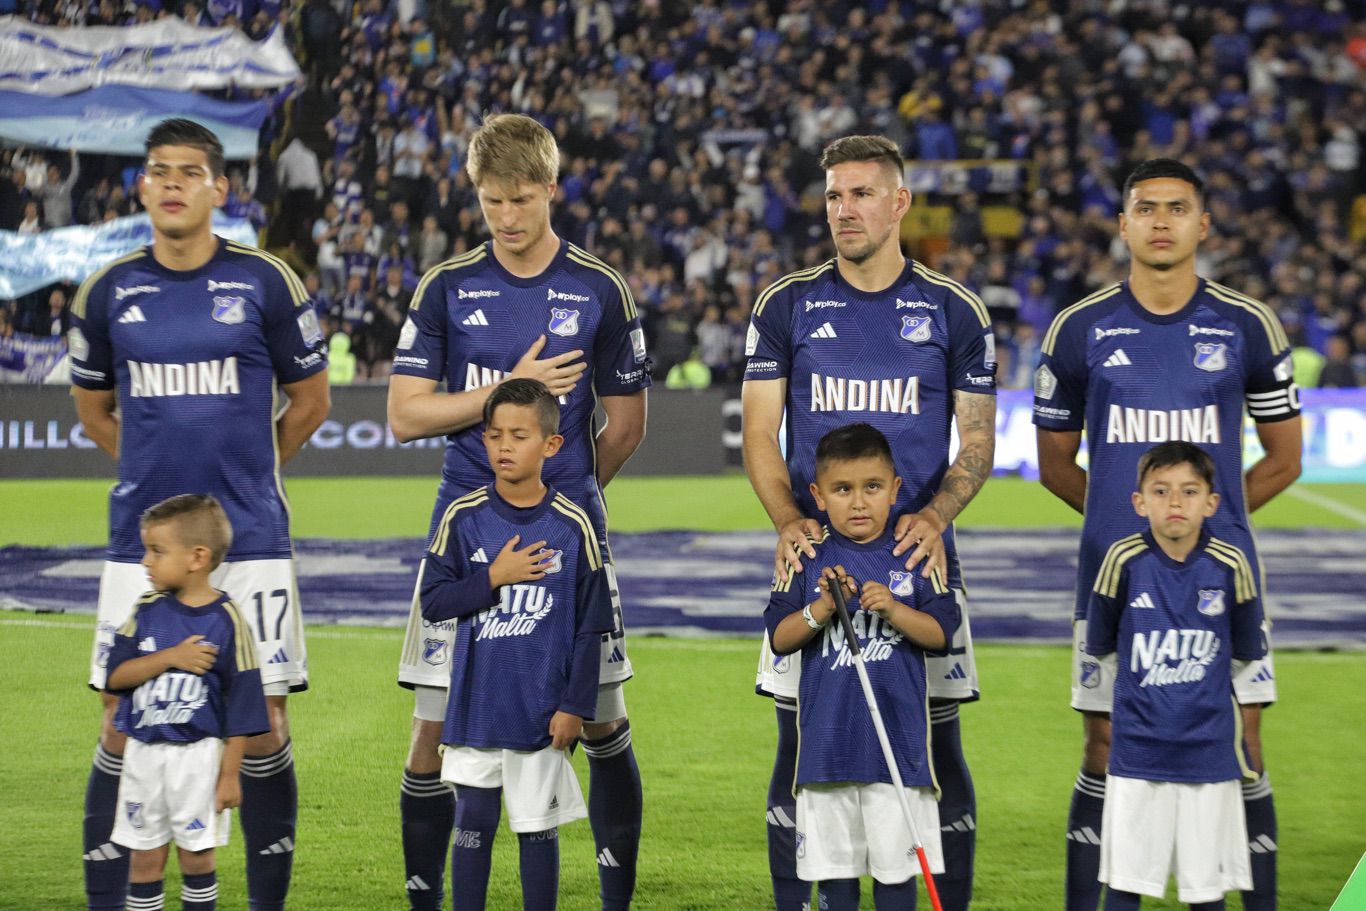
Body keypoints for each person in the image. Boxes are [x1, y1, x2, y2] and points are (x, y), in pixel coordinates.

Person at [388, 113, 649, 911]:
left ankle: (615, 898)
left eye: (521, 199)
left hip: (567, 543)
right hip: (463, 537)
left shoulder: (600, 288)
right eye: (492, 201)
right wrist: (504, 392)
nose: (506, 217)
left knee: (599, 718)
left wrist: (562, 505)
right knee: (434, 730)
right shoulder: (447, 286)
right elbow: (405, 414)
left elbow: (626, 424)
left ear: (551, 189)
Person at [69, 118, 330, 911]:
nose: (173, 183)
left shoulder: (267, 282)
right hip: (138, 547)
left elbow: (310, 402)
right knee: (124, 717)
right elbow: (95, 412)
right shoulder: (107, 292)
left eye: (190, 171)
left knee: (267, 718)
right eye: (159, 170)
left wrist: (250, 473)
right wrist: (158, 485)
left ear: (220, 188)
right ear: (142, 187)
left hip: (251, 541)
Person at [1034, 158, 1301, 911]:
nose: (1161, 221)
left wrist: (1207, 527)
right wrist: (1138, 533)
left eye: (1178, 208)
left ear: (1203, 224)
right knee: (1102, 745)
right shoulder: (1079, 327)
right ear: (1123, 224)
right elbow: (1055, 465)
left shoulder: (1247, 324)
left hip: (1224, 584)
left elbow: (1285, 459)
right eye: (1146, 208)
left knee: (1243, 745)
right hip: (1112, 581)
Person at [742, 134, 994, 911]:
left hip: (919, 564)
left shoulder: (953, 309)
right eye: (833, 196)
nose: (844, 210)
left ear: (899, 202)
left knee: (937, 744)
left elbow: (977, 440)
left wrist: (937, 513)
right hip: (813, 562)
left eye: (861, 194)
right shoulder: (786, 305)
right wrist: (788, 519)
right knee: (798, 743)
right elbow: (760, 432)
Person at [420, 378, 615, 911]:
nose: (504, 446)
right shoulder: (463, 518)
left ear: (551, 444)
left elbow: (590, 627)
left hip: (540, 712)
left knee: (536, 829)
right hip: (476, 709)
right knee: (472, 823)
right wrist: (493, 577)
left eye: (519, 435)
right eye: (495, 435)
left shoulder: (573, 526)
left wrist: (575, 706)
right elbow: (433, 601)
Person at [765, 423, 960, 911]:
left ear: (895, 489)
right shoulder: (807, 555)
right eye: (842, 490)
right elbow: (780, 638)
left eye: (872, 487)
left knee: (896, 880)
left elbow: (942, 635)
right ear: (817, 495)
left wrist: (894, 609)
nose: (858, 503)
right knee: (836, 881)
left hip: (898, 754)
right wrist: (822, 609)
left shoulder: (916, 552)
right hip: (826, 753)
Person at [1086, 442, 1266, 910]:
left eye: (1189, 491)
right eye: (1161, 491)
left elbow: (1246, 649)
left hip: (1209, 756)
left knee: (1205, 891)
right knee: (1124, 883)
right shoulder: (1122, 561)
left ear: (1211, 502)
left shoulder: (1230, 565)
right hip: (1137, 753)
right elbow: (1101, 643)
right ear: (1139, 502)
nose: (1175, 503)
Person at [106, 495, 270, 911]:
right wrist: (169, 658)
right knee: (144, 859)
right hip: (143, 756)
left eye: (156, 551)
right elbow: (115, 677)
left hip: (198, 760)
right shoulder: (145, 610)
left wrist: (229, 776)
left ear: (197, 557)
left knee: (197, 859)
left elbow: (243, 707)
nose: (145, 561)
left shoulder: (227, 619)